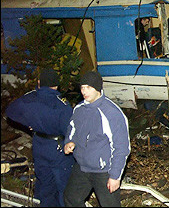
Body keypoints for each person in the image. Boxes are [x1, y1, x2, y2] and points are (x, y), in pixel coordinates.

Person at [5, 68, 74, 207]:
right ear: (56, 85)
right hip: (58, 149)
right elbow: (70, 129)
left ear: (38, 83)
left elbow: (10, 111)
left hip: (39, 145)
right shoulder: (61, 104)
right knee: (63, 187)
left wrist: (29, 123)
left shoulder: (30, 99)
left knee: (44, 185)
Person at [63, 71, 130, 207]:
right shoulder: (79, 109)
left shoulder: (111, 113)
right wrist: (69, 141)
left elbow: (121, 147)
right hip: (82, 167)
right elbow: (72, 128)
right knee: (71, 199)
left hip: (104, 171)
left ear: (98, 88)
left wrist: (115, 176)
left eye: (88, 87)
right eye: (82, 87)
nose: (84, 91)